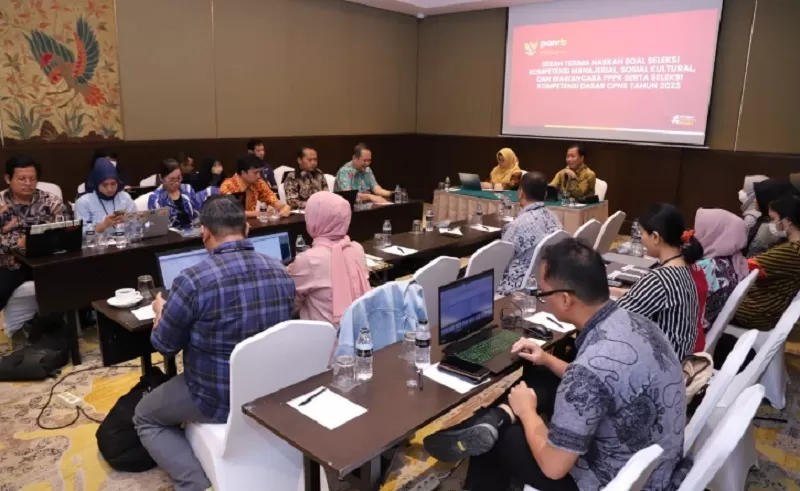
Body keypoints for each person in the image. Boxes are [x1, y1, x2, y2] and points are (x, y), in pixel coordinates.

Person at [423, 239, 687, 491]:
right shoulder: (637, 322)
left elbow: (553, 467)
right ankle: (494, 418)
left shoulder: (588, 371)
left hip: (608, 480)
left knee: (503, 440)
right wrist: (547, 359)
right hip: (657, 465)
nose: (542, 298)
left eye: (542, 292)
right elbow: (602, 384)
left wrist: (528, 413)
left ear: (564, 299)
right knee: (544, 374)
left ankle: (495, 423)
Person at [134, 195, 295, 491]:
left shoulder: (192, 279)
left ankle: (193, 483)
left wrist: (160, 313)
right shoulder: (281, 272)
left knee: (145, 416)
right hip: (271, 387)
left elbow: (165, 346)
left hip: (214, 396)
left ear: (204, 232)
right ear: (246, 228)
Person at [614, 203, 703, 360]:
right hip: (677, 362)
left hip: (658, 369)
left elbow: (613, 318)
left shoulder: (659, 280)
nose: (640, 239)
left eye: (642, 234)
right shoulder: (684, 269)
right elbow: (639, 297)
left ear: (655, 237)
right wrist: (611, 290)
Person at [289, 192, 370, 326]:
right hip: (360, 335)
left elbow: (291, 306)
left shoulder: (308, 259)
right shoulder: (356, 248)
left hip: (323, 343)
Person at [1, 156, 69, 314]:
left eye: (32, 179)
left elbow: (65, 228)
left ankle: (45, 329)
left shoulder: (50, 201)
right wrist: (17, 243)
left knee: (68, 285)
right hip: (10, 263)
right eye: (22, 179)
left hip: (47, 261)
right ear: (8, 179)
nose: (28, 183)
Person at [734, 195, 800, 332]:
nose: (771, 224)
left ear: (787, 221)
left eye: (773, 219)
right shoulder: (790, 247)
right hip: (763, 310)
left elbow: (748, 267)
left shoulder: (793, 250)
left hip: (755, 312)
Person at [497, 172, 562, 296]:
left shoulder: (516, 226)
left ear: (520, 192)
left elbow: (501, 263)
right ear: (546, 194)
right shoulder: (555, 217)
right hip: (544, 279)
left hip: (515, 287)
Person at [693, 209, 749, 329]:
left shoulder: (708, 268)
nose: (695, 234)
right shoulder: (733, 261)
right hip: (706, 325)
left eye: (701, 229)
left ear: (714, 233)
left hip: (689, 331)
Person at [74, 158, 136, 237]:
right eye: (104, 185)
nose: (110, 189)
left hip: (123, 244)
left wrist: (127, 221)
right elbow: (81, 234)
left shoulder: (125, 198)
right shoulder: (83, 202)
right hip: (97, 247)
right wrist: (102, 226)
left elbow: (137, 226)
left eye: (113, 184)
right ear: (96, 184)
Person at [219, 155, 290, 218]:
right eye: (255, 173)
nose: (259, 176)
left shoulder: (258, 183)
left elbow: (274, 201)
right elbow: (231, 213)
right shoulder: (228, 186)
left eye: (260, 172)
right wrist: (262, 214)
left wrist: (285, 207)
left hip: (253, 225)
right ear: (243, 173)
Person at [745, 178, 796, 257]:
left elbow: (752, 257)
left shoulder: (768, 229)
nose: (754, 200)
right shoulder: (763, 219)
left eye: (758, 197)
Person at [148, 158, 200, 228]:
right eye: (172, 180)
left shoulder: (187, 189)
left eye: (179, 178)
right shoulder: (155, 198)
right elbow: (155, 226)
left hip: (192, 232)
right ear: (161, 178)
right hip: (171, 237)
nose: (176, 183)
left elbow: (197, 214)